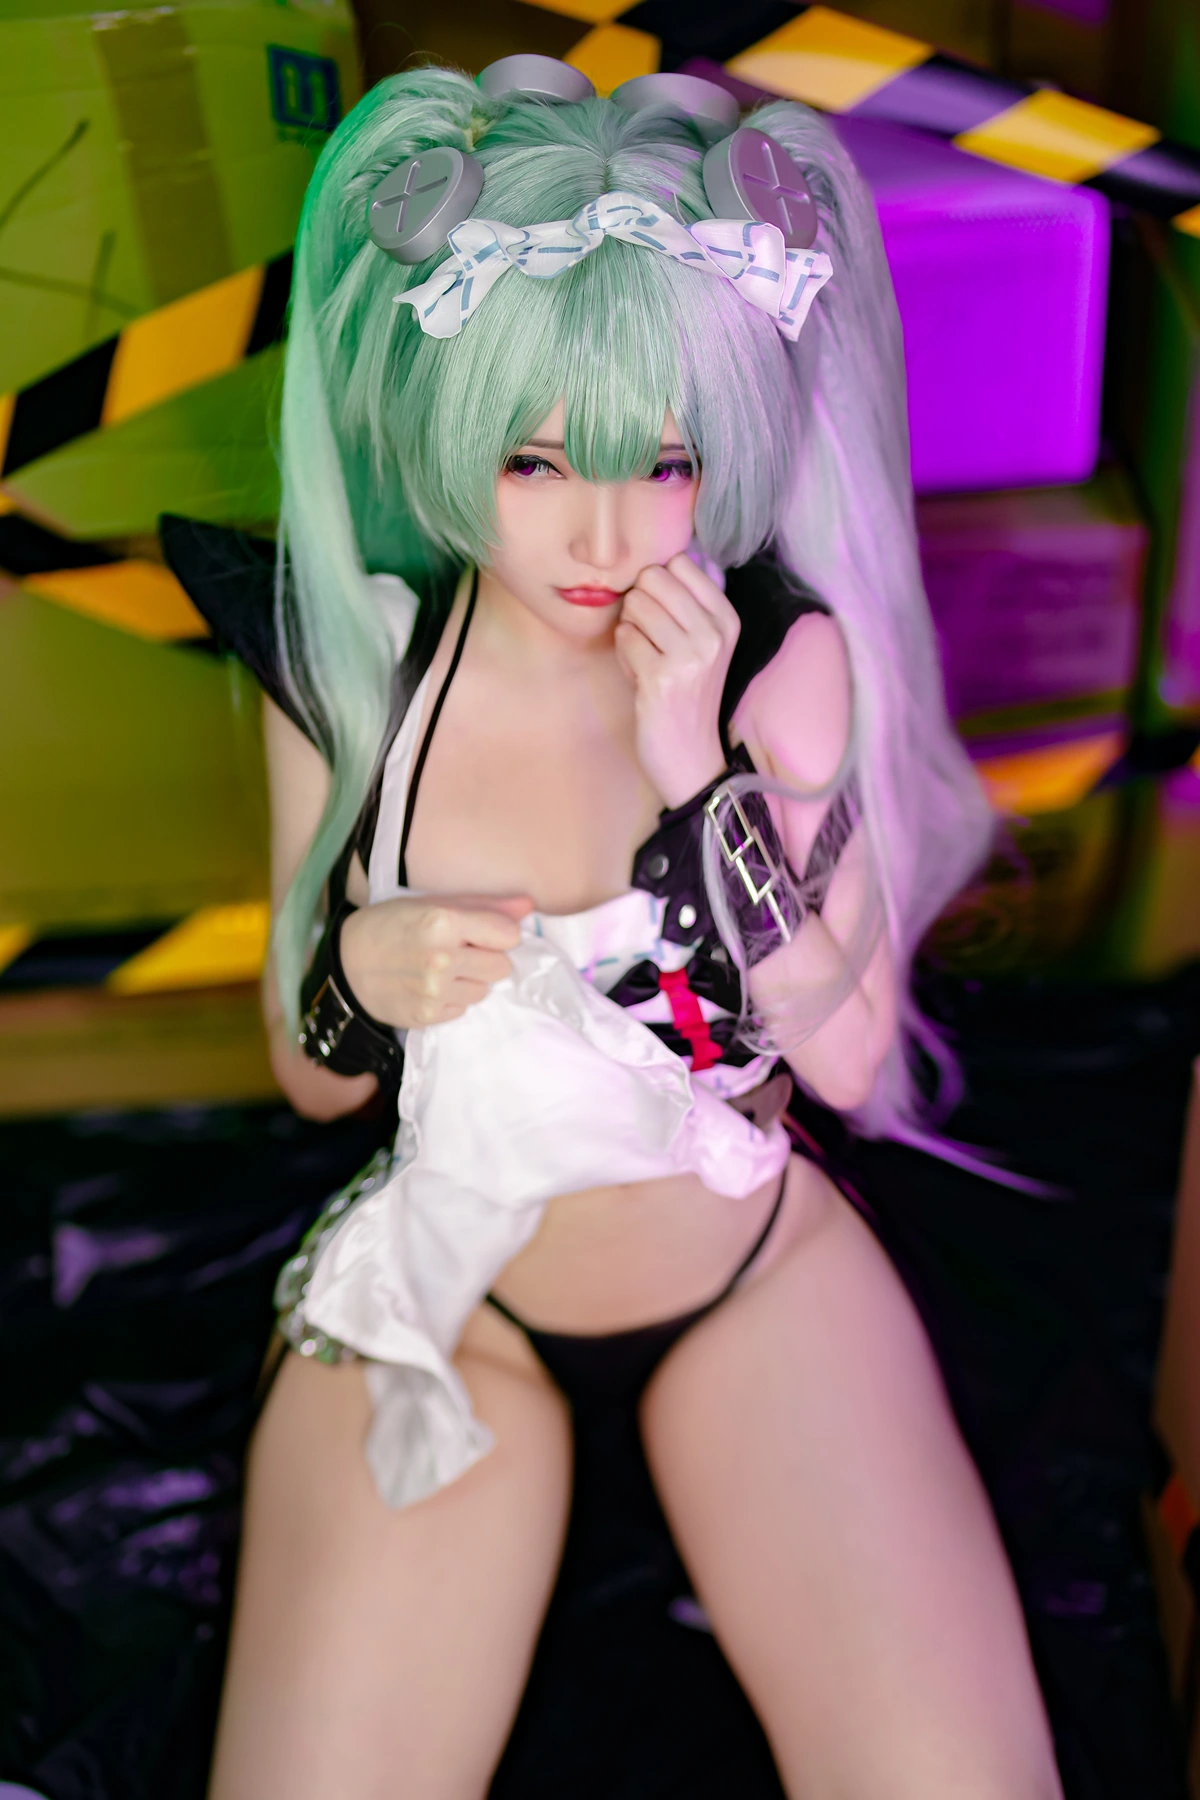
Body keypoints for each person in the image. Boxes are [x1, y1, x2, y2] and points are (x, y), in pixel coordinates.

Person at [166, 59, 1065, 1800]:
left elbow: (854, 1059)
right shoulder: (350, 667)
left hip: (749, 1279)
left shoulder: (777, 664)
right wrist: (357, 973)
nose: (605, 532)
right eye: (532, 459)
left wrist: (696, 780)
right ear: (448, 425)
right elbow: (311, 1077)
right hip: (446, 1296)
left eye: (665, 460)